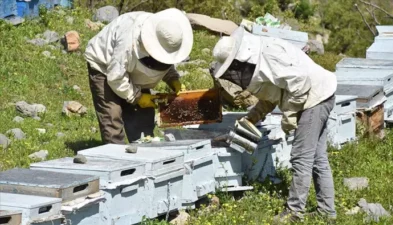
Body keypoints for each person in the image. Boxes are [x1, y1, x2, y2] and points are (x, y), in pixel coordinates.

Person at [211, 26, 337, 223]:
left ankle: (294, 212)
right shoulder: (257, 60)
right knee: (318, 158)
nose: (234, 72)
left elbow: (301, 83)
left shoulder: (269, 56)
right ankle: (327, 213)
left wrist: (289, 117)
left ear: (238, 58)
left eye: (232, 66)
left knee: (300, 158)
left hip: (315, 99)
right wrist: (252, 117)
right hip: (317, 96)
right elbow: (272, 96)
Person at [84, 8, 193, 144]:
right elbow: (115, 76)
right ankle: (117, 157)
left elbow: (165, 61)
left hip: (131, 70)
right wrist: (137, 97)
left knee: (143, 118)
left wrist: (174, 80)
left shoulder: (165, 34)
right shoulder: (128, 42)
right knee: (112, 116)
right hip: (104, 66)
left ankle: (143, 152)